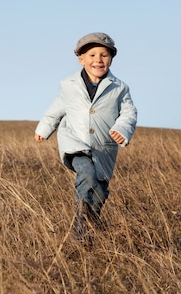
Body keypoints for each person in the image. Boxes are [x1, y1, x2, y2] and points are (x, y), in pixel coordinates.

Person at [34, 32, 137, 242]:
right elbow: (56, 109)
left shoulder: (119, 88)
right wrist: (44, 129)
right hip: (75, 142)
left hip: (103, 147)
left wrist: (122, 129)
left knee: (99, 192)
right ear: (81, 59)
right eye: (92, 55)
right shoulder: (69, 85)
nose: (98, 60)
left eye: (104, 55)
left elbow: (129, 113)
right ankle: (80, 227)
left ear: (111, 59)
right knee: (87, 174)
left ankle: (93, 221)